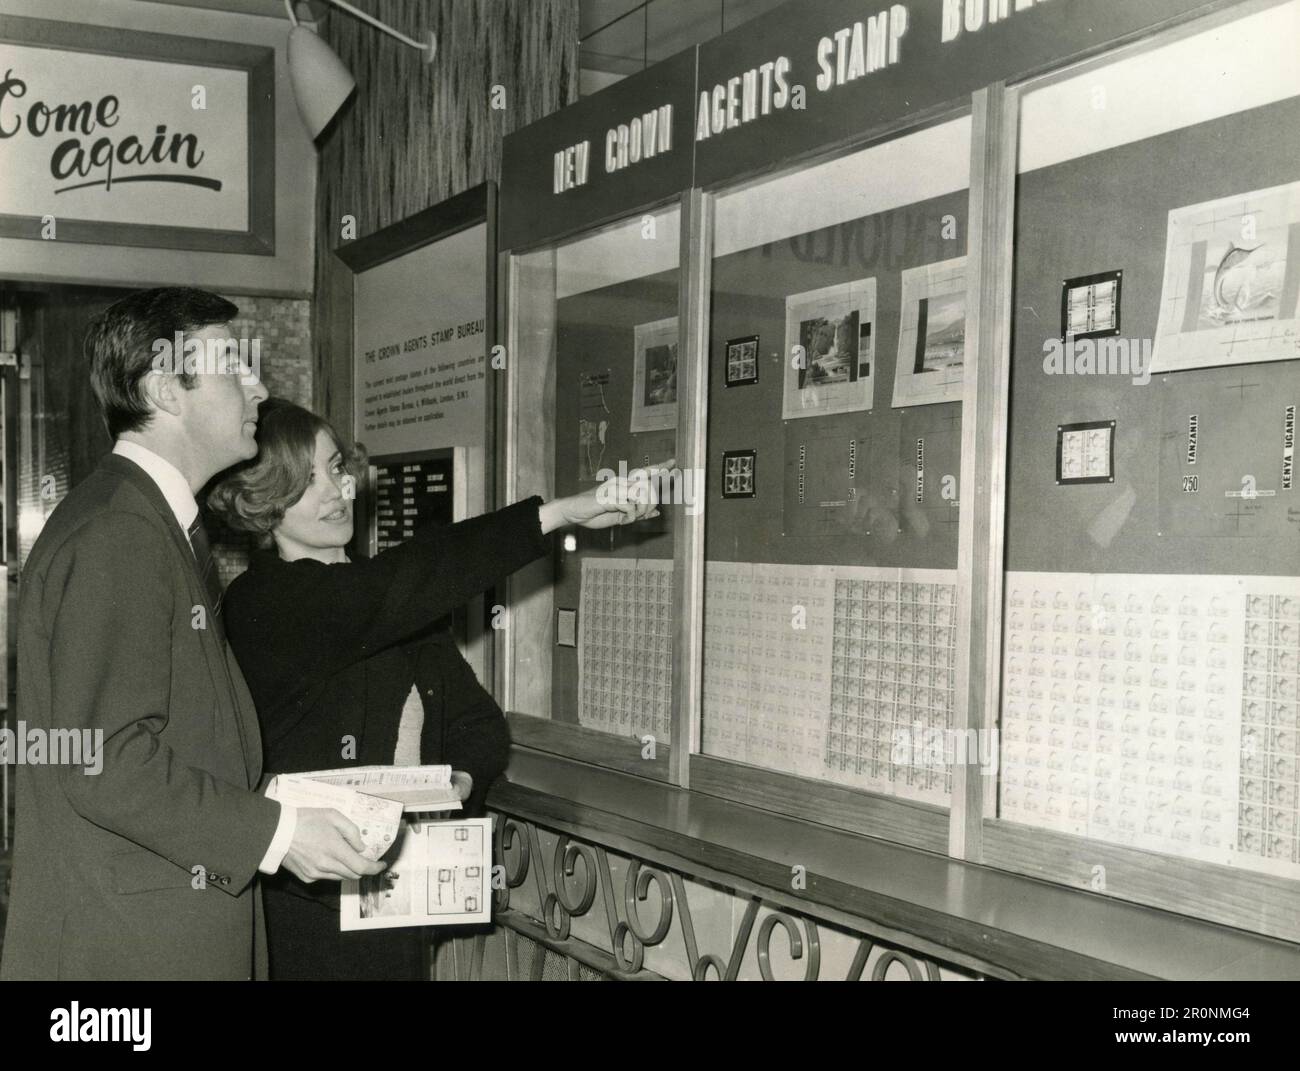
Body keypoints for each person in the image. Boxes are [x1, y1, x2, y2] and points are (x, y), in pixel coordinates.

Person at [0, 289, 385, 982]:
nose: (259, 389)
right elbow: (104, 761)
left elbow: (167, 737)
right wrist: (276, 831)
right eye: (234, 366)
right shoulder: (122, 533)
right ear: (163, 390)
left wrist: (279, 799)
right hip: (130, 957)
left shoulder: (142, 521)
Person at [208, 397, 662, 979]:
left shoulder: (391, 602)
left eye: (337, 468)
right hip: (306, 912)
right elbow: (394, 587)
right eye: (304, 480)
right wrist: (558, 513)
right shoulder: (264, 603)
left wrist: (454, 785)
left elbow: (477, 725)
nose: (334, 491)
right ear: (264, 504)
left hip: (398, 902)